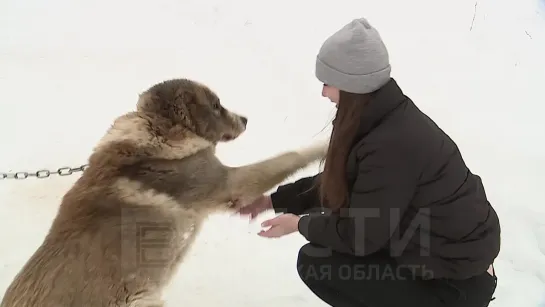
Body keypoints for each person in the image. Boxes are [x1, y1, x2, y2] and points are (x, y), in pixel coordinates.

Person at [236, 17, 501, 307]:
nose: (323, 92)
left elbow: (360, 237)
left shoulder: (392, 143)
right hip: (435, 258)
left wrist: (299, 225)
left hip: (455, 283)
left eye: (328, 82)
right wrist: (271, 201)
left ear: (353, 85)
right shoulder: (380, 119)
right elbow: (342, 184)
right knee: (321, 257)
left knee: (320, 265)